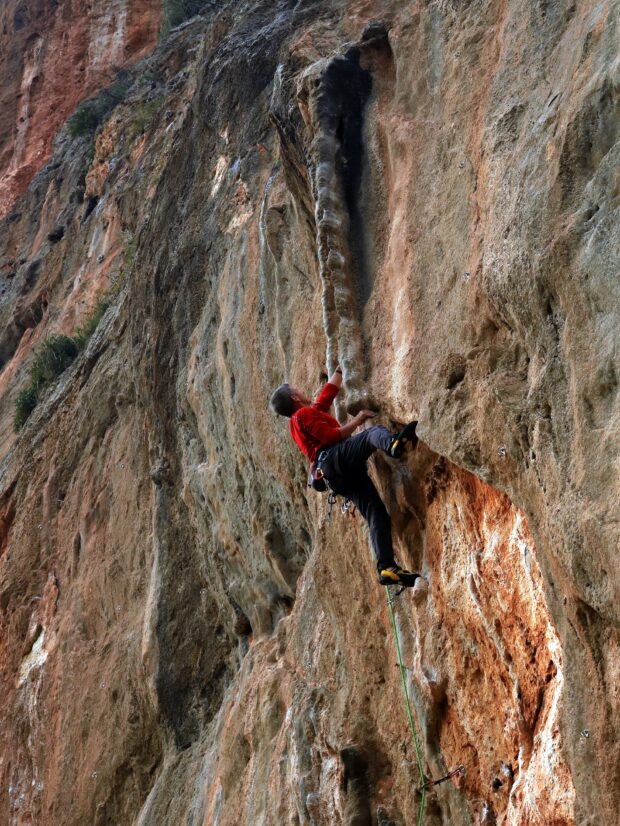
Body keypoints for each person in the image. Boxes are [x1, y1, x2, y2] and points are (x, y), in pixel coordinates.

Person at [270, 366, 422, 587]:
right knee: (370, 434)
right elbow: (332, 436)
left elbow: (325, 397)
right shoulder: (301, 415)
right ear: (295, 397)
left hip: (338, 477)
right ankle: (393, 444)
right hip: (334, 459)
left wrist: (341, 371)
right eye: (297, 390)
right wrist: (358, 420)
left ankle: (387, 567)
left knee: (375, 512)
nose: (301, 390)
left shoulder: (301, 420)